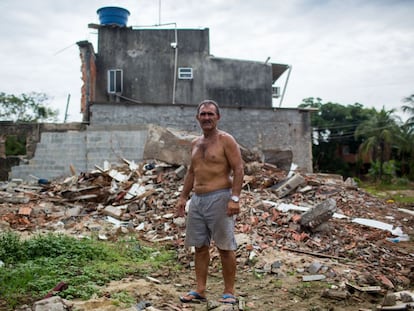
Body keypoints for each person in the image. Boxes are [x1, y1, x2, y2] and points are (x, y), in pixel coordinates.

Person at [176, 99, 244, 304]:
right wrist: (183, 197)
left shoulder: (226, 140)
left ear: (218, 117)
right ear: (198, 117)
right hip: (198, 200)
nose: (206, 117)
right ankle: (200, 290)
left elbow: (239, 169)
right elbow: (191, 171)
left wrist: (235, 198)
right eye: (203, 114)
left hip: (220, 197)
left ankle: (229, 292)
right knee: (199, 246)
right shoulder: (195, 143)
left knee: (225, 247)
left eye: (210, 114)